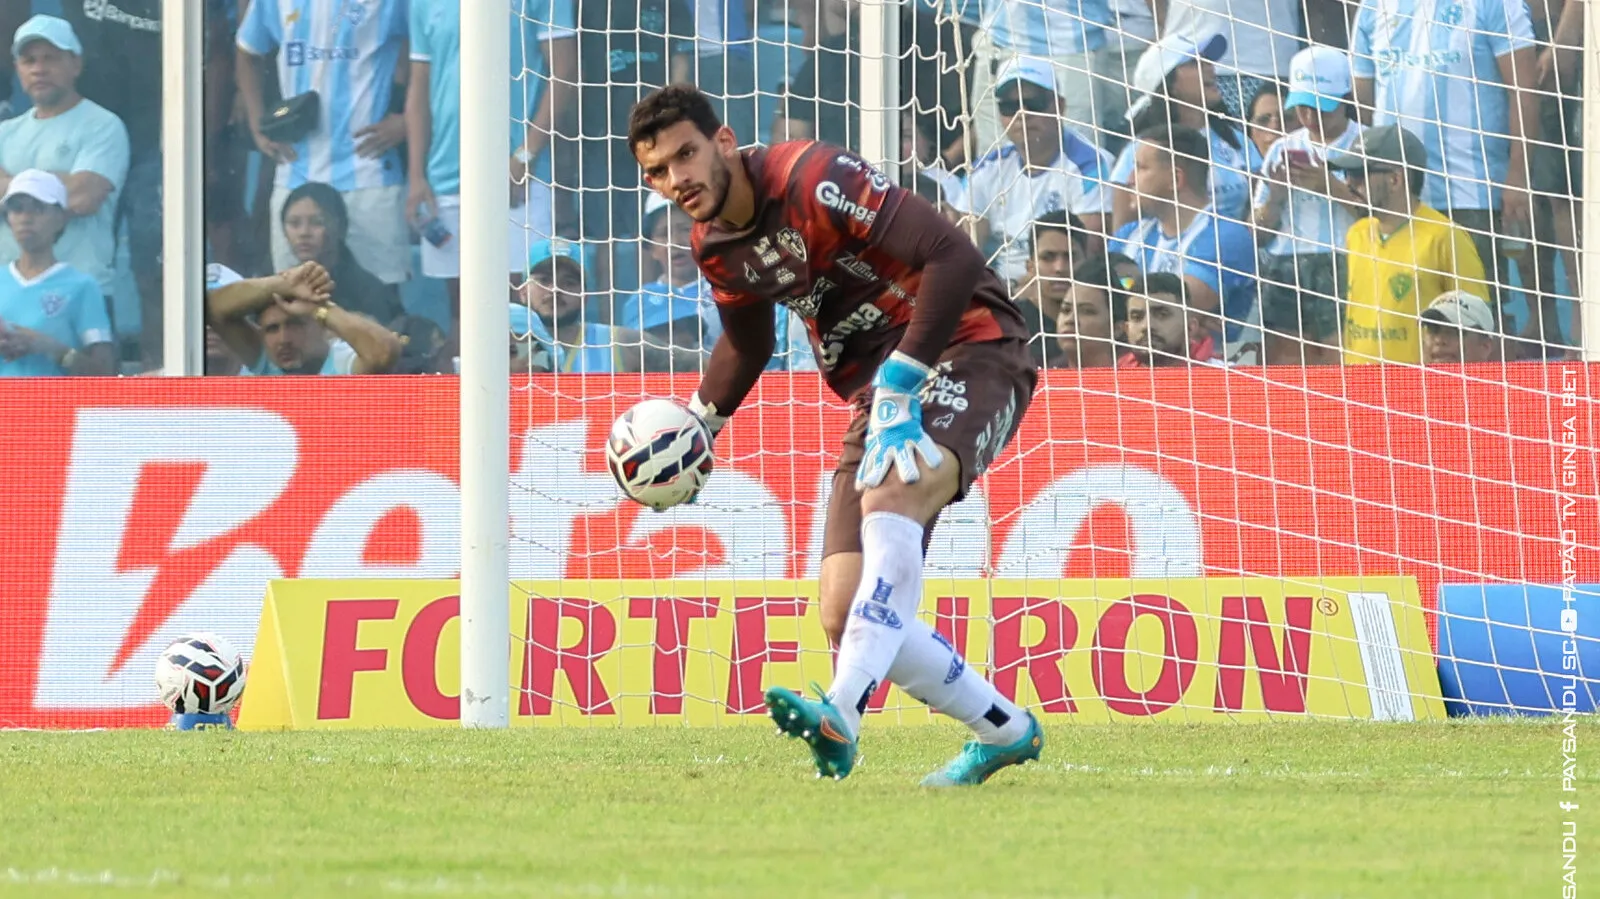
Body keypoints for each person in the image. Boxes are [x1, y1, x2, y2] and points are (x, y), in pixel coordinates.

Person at [629, 84, 1042, 785]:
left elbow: (953, 257)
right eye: (659, 172)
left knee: (891, 495)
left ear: (723, 141)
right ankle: (1003, 729)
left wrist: (903, 383)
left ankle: (842, 712)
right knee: (843, 606)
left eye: (686, 155)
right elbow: (746, 341)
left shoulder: (813, 178)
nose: (678, 180)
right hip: (876, 392)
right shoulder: (714, 246)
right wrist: (699, 425)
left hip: (971, 345)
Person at [405, 0, 578, 331]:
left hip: (518, 175)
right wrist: (416, 175)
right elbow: (419, 87)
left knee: (522, 304)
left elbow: (566, 71)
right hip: (445, 176)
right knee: (461, 310)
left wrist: (526, 153)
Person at [236, 0, 411, 287]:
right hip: (295, 175)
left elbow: (430, 53)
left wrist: (405, 121)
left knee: (379, 307)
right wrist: (258, 126)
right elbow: (247, 52)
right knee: (296, 303)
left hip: (369, 175)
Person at [0, 16, 129, 337]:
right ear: (17, 69)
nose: (39, 68)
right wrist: (58, 181)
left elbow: (82, 197)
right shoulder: (6, 132)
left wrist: (11, 185)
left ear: (76, 64)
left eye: (51, 58)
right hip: (10, 295)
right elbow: (67, 193)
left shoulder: (103, 125)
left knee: (82, 389)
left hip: (81, 293)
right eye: (29, 60)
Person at [1328, 124, 1490, 365]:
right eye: (1346, 174)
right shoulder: (1357, 234)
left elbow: (1478, 325)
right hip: (1359, 387)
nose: (1349, 183)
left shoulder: (1445, 237)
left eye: (1360, 174)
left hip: (1417, 391)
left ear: (1395, 179)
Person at [1111, 124, 1260, 363]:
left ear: (1175, 178)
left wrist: (1125, 288)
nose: (1129, 180)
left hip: (1212, 380)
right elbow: (1095, 300)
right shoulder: (1129, 235)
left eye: (1140, 168)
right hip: (1140, 371)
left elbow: (1168, 310)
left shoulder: (1226, 236)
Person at [1251, 46, 1363, 366]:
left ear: (1345, 98)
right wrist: (1274, 198)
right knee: (1284, 367)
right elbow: (1258, 232)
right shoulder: (1281, 149)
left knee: (1339, 363)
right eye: (1302, 108)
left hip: (1343, 261)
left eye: (1322, 107)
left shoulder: (1369, 145)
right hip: (1285, 265)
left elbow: (1386, 220)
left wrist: (1331, 187)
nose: (1311, 117)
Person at [960, 58, 1112, 285]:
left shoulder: (1091, 166)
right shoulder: (985, 169)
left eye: (1034, 102)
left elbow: (1086, 258)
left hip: (1062, 289)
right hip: (999, 290)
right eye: (1010, 107)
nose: (1022, 113)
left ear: (1060, 106)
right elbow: (965, 252)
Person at [1109, 32, 1261, 230]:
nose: (1210, 69)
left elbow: (1259, 207)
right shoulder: (1138, 150)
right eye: (1194, 63)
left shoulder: (1237, 141)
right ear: (1170, 84)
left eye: (1208, 61)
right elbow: (1123, 230)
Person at [0, 169, 113, 376]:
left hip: (54, 407)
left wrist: (47, 347)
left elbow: (104, 374)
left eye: (38, 209)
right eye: (17, 209)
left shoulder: (81, 286)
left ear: (61, 218)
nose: (26, 218)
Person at [206, 260, 403, 375]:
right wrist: (284, 284)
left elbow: (385, 352)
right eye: (272, 329)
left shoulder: (344, 362)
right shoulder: (268, 363)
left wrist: (320, 308)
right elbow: (213, 306)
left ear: (323, 326)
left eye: (295, 324)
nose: (283, 340)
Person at [280, 182, 404, 325]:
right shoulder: (283, 288)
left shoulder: (370, 293)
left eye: (316, 222)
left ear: (340, 227)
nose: (303, 233)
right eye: (294, 223)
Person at [1015, 211, 1088, 368]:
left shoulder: (1102, 324)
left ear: (1086, 262)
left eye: (1070, 257)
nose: (1060, 268)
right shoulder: (1011, 324)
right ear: (1030, 267)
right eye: (1048, 257)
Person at [1120, 271, 1222, 367]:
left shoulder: (1226, 378)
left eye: (1162, 315)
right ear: (1127, 329)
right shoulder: (1114, 378)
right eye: (1137, 317)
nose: (1147, 326)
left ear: (1190, 327)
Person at [1055, 252, 1138, 369]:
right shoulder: (1040, 377)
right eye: (1066, 310)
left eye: (1087, 311)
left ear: (1117, 329)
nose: (1070, 320)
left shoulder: (1134, 379)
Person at [1421, 289, 1499, 365]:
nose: (1439, 340)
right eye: (1433, 330)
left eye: (1453, 331)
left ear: (1485, 346)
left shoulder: (1506, 376)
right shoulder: (1410, 376)